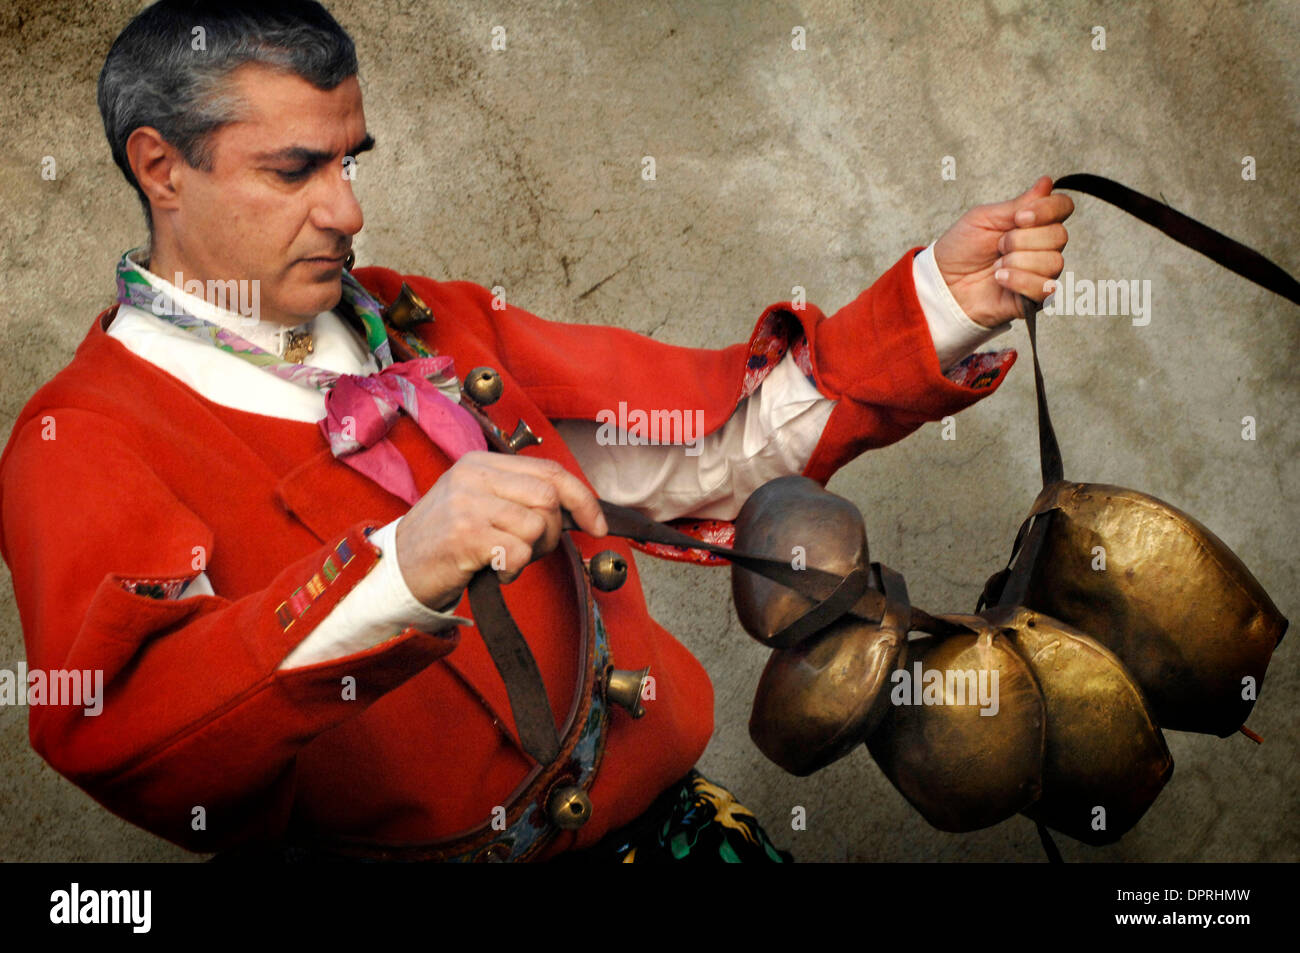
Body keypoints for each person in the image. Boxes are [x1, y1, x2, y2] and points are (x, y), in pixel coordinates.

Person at [0, 0, 1071, 862]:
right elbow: (129, 732)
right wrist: (400, 564)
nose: (348, 211)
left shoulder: (426, 319)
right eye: (295, 171)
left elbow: (700, 462)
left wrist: (943, 301)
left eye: (349, 159)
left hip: (683, 841)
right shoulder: (85, 435)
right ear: (160, 167)